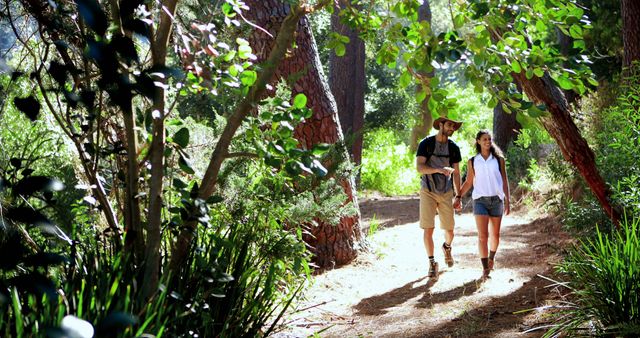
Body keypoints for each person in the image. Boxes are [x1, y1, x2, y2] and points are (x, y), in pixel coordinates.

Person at [458, 129, 510, 280]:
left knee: (496, 235)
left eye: (489, 139)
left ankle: (491, 257)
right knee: (483, 236)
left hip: (496, 200)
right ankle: (485, 268)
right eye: (484, 139)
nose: (487, 142)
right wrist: (458, 196)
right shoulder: (473, 161)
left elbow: (504, 180)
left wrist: (508, 200)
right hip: (480, 200)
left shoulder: (499, 160)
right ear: (478, 141)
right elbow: (468, 182)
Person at [416, 116, 463, 279]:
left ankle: (447, 247)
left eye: (454, 127)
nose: (452, 128)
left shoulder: (454, 148)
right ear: (440, 125)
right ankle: (432, 262)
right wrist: (438, 169)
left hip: (446, 191)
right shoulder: (426, 144)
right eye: (450, 125)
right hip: (427, 190)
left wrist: (459, 195)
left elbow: (457, 173)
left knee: (450, 231)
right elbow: (420, 168)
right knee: (428, 229)